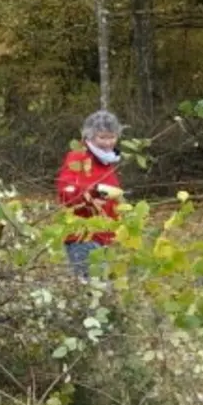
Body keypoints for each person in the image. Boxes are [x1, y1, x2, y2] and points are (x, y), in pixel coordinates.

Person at [57, 109, 125, 279]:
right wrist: (93, 194)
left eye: (112, 137)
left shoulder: (108, 163)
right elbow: (66, 192)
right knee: (94, 288)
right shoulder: (77, 158)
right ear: (90, 136)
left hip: (105, 237)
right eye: (102, 137)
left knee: (103, 290)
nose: (108, 142)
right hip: (83, 236)